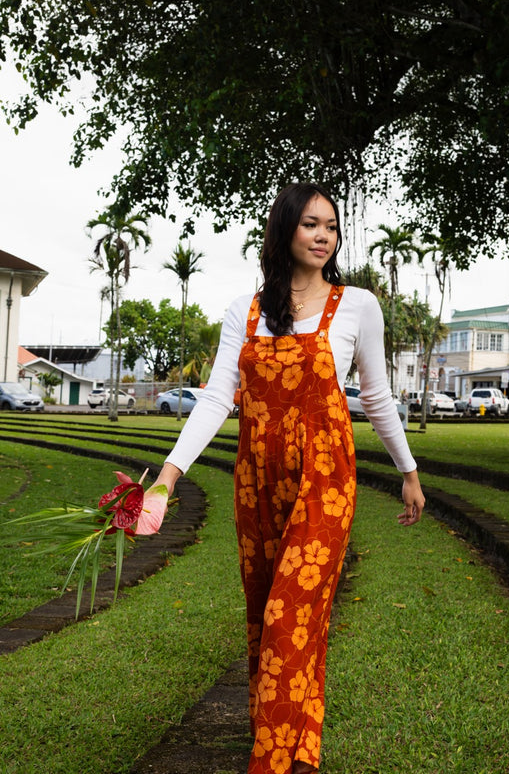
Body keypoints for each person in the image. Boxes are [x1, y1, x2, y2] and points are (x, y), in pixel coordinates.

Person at [154, 182, 425, 774]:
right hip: (257, 480)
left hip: (327, 479)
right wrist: (168, 478)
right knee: (265, 616)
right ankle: (296, 746)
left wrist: (408, 470)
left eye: (331, 225)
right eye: (311, 224)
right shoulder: (244, 311)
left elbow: (376, 396)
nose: (324, 235)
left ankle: (271, 764)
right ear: (284, 230)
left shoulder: (356, 305)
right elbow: (215, 399)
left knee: (288, 615)